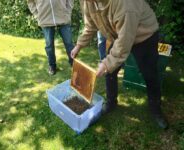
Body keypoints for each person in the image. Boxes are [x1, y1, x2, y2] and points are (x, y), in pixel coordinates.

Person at [71, 0, 169, 129]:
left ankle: (156, 110)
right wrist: (78, 46)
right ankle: (111, 102)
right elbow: (90, 25)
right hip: (120, 34)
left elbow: (124, 42)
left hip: (144, 35)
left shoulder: (125, 4)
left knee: (150, 74)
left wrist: (106, 64)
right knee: (110, 71)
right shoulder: (87, 2)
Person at [27, 0, 74, 75]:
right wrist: (37, 15)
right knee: (49, 45)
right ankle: (52, 66)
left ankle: (74, 63)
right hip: (45, 20)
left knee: (69, 43)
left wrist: (68, 12)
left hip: (63, 18)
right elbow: (30, 2)